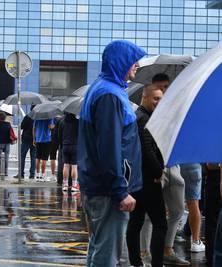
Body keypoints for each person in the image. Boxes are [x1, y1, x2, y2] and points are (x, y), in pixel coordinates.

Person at [77, 40, 145, 267]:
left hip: (99, 186)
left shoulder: (103, 88)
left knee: (99, 248)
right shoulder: (109, 95)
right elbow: (109, 147)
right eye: (133, 60)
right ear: (120, 62)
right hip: (108, 191)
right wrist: (120, 191)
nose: (137, 65)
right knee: (107, 255)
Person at [139, 73, 189, 266]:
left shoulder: (175, 107)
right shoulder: (147, 112)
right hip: (154, 166)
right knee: (150, 216)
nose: (165, 91)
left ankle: (167, 249)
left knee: (177, 209)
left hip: (172, 164)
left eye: (167, 87)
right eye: (160, 88)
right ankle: (145, 253)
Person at [126, 84, 167, 267]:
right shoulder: (143, 119)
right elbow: (146, 150)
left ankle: (136, 262)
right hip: (148, 180)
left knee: (136, 222)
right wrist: (158, 171)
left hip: (137, 180)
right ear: (144, 98)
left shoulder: (141, 117)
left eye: (161, 99)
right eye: (155, 98)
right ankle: (155, 264)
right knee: (160, 224)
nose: (159, 102)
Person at [180, 163, 205, 252]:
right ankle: (195, 241)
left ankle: (167, 245)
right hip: (193, 164)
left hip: (174, 165)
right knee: (193, 203)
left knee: (171, 204)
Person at [204, 164, 222, 266]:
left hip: (213, 176)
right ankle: (211, 257)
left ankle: (211, 257)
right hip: (214, 176)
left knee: (212, 222)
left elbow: (208, 165)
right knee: (212, 222)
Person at [58, 112, 79, 192]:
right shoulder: (78, 122)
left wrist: (62, 145)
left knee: (66, 165)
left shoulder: (62, 122)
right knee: (74, 166)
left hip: (65, 146)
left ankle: (65, 185)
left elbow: (59, 135)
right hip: (75, 146)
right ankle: (74, 185)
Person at [14, 106, 36, 179]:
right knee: (33, 157)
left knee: (22, 156)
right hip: (35, 139)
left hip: (26, 138)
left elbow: (22, 126)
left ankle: (21, 173)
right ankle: (32, 174)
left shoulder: (28, 116)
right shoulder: (38, 117)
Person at [0, 112, 12, 176]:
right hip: (7, 142)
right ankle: (6, 172)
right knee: (6, 157)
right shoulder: (8, 124)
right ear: (5, 117)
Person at [49, 117, 61, 181]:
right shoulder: (62, 119)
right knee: (60, 157)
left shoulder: (52, 118)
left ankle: (53, 175)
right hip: (60, 140)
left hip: (52, 139)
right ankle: (60, 173)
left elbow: (50, 127)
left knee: (52, 157)